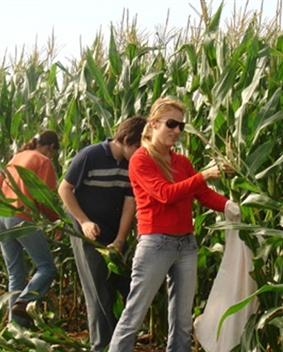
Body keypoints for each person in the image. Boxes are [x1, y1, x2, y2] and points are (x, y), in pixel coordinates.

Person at [108, 97, 238, 352]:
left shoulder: (182, 162)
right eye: (171, 124)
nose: (177, 131)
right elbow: (165, 194)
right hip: (156, 244)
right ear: (154, 124)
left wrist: (228, 206)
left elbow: (201, 193)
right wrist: (205, 174)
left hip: (186, 244)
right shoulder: (141, 160)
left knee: (182, 321)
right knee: (134, 315)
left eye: (181, 126)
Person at [58, 116, 147, 351]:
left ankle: (119, 343)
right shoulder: (90, 155)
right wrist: (84, 221)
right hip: (87, 234)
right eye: (138, 146)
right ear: (127, 140)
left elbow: (130, 202)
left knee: (127, 286)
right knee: (98, 292)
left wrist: (120, 239)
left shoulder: (131, 165)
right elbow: (64, 189)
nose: (141, 153)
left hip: (113, 234)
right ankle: (101, 346)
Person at [0, 130, 61, 326]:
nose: (52, 158)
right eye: (53, 153)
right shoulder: (43, 161)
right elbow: (45, 198)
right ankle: (25, 301)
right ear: (51, 148)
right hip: (22, 219)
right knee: (47, 268)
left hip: (1, 218)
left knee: (15, 274)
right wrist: (57, 221)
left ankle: (15, 327)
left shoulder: (17, 157)